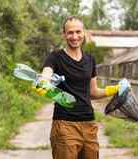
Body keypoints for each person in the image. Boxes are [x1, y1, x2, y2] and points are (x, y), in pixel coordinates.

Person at [34, 16, 119, 159]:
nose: (74, 36)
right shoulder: (55, 57)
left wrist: (115, 89)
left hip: (89, 124)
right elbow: (46, 75)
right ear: (64, 34)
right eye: (70, 32)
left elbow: (93, 92)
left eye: (78, 32)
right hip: (65, 125)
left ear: (84, 33)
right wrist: (44, 84)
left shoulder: (90, 59)